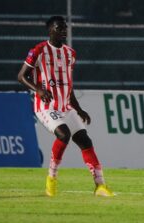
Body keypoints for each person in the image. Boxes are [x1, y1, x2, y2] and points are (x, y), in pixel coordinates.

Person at [17, 16, 115, 197]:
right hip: (46, 107)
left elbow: (67, 86)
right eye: (59, 27)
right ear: (50, 30)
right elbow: (21, 76)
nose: (63, 30)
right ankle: (51, 179)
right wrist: (37, 89)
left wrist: (78, 109)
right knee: (64, 135)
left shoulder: (70, 53)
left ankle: (100, 185)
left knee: (85, 141)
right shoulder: (39, 50)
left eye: (65, 28)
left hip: (66, 107)